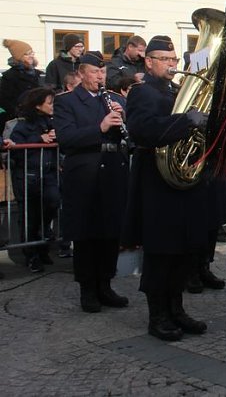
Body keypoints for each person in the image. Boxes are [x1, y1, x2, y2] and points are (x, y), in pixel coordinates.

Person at [124, 36, 210, 341]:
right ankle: (158, 315)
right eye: (165, 59)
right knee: (161, 253)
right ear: (149, 62)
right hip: (156, 182)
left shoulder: (176, 91)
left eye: (174, 59)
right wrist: (186, 121)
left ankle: (177, 309)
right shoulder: (142, 91)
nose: (172, 65)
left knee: (182, 251)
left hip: (181, 181)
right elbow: (142, 131)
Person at [53, 51, 129, 313]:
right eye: (95, 72)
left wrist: (123, 119)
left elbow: (128, 136)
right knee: (86, 234)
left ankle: (105, 284)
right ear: (81, 73)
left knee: (111, 232)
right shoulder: (67, 101)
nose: (100, 76)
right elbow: (66, 138)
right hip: (85, 173)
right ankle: (88, 289)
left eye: (103, 72)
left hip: (113, 170)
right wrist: (101, 127)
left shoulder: (115, 99)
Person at [8, 87, 59, 273]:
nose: (52, 106)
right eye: (49, 103)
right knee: (29, 216)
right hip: (28, 176)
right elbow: (15, 147)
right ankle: (32, 254)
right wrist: (39, 138)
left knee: (52, 203)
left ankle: (42, 242)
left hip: (48, 173)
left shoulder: (51, 122)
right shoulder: (23, 125)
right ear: (38, 105)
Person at [1, 39, 43, 135]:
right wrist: (18, 112)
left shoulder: (38, 74)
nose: (31, 56)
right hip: (20, 122)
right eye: (27, 54)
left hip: (39, 118)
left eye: (32, 52)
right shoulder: (9, 77)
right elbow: (4, 101)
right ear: (19, 57)